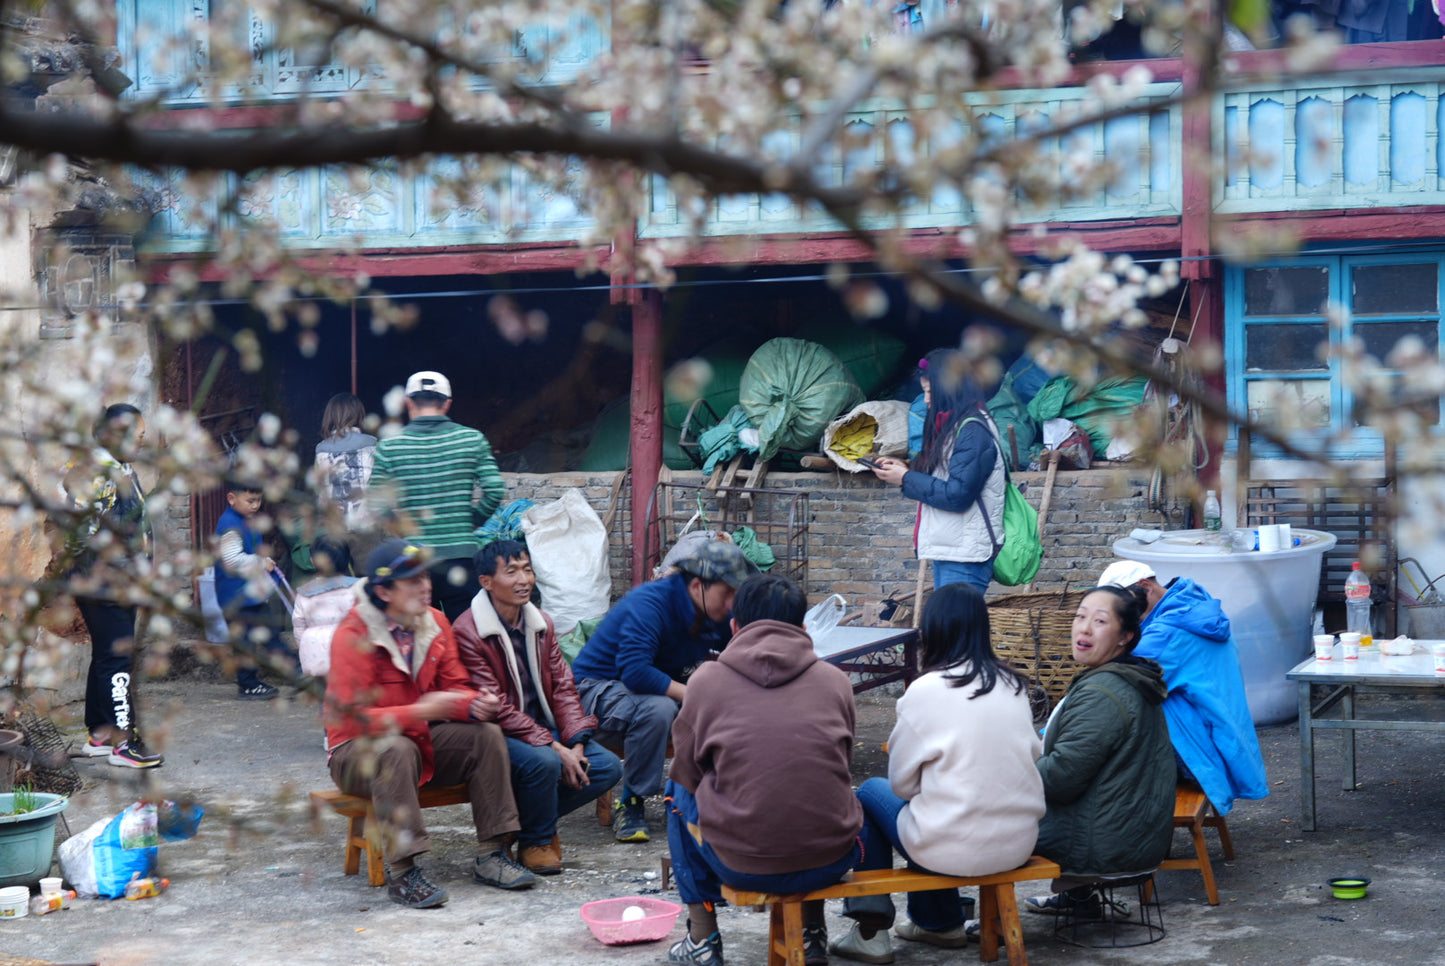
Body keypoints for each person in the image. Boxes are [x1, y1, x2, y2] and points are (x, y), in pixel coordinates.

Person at [830, 584, 1045, 964]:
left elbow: (902, 785)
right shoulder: (1014, 685)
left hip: (949, 848)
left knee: (870, 793)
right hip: (1017, 843)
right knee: (936, 811)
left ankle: (871, 932)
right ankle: (936, 922)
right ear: (982, 628)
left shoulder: (926, 690)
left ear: (933, 630)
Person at [324, 539, 536, 908]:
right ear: (382, 591)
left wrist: (473, 703)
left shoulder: (435, 622)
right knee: (394, 748)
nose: (425, 587)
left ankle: (492, 854)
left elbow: (455, 685)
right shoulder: (353, 635)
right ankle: (404, 873)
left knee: (485, 735)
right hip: (355, 754)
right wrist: (421, 711)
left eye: (425, 577)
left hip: (419, 740)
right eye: (412, 581)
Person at [665, 573, 863, 966]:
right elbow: (839, 763)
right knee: (815, 786)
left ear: (735, 626)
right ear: (803, 629)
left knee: (677, 792)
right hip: (832, 861)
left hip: (743, 866)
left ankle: (702, 939)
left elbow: (687, 769)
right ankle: (811, 935)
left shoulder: (706, 680)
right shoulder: (835, 681)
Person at [452, 539, 622, 876]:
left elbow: (563, 686)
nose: (524, 580)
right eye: (511, 571)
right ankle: (537, 840)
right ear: (487, 582)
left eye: (528, 570)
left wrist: (574, 742)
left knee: (606, 766)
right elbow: (496, 706)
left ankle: (521, 825)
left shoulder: (541, 623)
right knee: (544, 762)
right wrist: (556, 747)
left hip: (543, 728)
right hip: (498, 733)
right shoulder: (468, 631)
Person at [571, 539, 757, 843]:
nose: (731, 605)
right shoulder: (650, 603)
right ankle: (631, 802)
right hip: (594, 693)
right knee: (660, 709)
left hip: (646, 692)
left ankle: (721, 798)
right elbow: (636, 672)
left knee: (735, 702)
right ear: (698, 585)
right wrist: (697, 695)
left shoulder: (716, 611)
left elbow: (740, 655)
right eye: (727, 594)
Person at [1024, 585, 1176, 918]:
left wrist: (1014, 771)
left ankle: (981, 923)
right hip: (1132, 834)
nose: (1085, 627)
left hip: (1110, 846)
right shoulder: (1127, 675)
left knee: (976, 819)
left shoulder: (1102, 693)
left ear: (1125, 636)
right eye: (1080, 617)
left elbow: (1061, 780)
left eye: (1100, 621)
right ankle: (1079, 901)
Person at [1097, 560, 1268, 816]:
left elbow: (1110, 682)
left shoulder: (1168, 634)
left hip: (1201, 753)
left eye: (1124, 605)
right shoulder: (1191, 604)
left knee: (1102, 759)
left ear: (1146, 586)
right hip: (1224, 740)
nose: (1122, 614)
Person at [58, 403, 163, 768]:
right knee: (118, 656)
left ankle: (100, 734)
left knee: (107, 654)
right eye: (138, 436)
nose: (140, 442)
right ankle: (123, 743)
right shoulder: (97, 472)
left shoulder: (115, 467)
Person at [367, 371, 506, 623]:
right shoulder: (471, 439)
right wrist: (471, 520)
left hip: (415, 561)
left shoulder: (390, 445)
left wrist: (402, 529)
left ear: (408, 403)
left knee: (421, 635)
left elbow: (375, 502)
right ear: (448, 403)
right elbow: (495, 489)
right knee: (467, 634)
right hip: (462, 558)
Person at [867, 350, 1004, 592]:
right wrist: (905, 469)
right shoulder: (954, 425)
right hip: (954, 550)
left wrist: (906, 478)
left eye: (931, 392)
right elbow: (943, 476)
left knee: (957, 628)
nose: (927, 400)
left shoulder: (973, 430)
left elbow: (957, 495)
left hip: (966, 556)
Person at [214, 479, 290, 700]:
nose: (255, 505)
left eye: (258, 500)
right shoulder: (230, 525)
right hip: (236, 597)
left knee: (271, 633)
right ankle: (248, 685)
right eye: (250, 501)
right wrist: (260, 562)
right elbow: (231, 558)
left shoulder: (244, 519)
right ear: (231, 498)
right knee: (245, 644)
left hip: (249, 595)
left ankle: (297, 673)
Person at [313, 392, 377, 551]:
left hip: (333, 529)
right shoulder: (372, 444)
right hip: (366, 527)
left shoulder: (320, 450)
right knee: (366, 574)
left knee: (339, 574)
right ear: (359, 416)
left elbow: (318, 489)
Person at [291, 536, 360, 679]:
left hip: (314, 652)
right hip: (349, 648)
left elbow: (298, 624)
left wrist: (303, 645)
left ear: (313, 562)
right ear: (348, 560)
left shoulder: (305, 593)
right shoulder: (358, 589)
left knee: (323, 693)